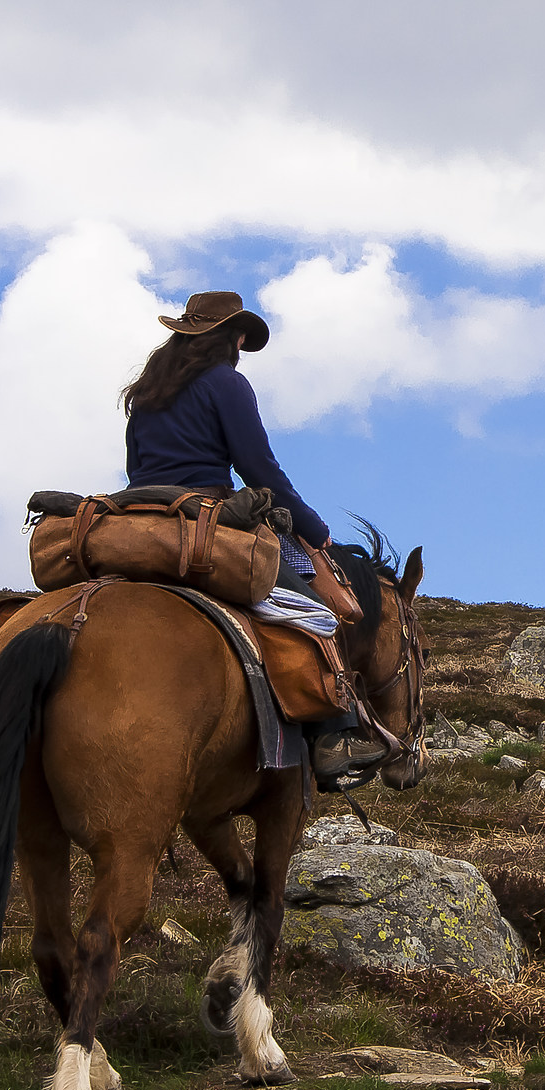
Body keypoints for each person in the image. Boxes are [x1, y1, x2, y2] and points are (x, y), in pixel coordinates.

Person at [122, 290, 376, 776]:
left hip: (140, 521)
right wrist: (312, 526)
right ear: (233, 338)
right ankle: (331, 741)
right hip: (203, 521)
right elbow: (258, 467)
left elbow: (137, 469)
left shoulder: (146, 394)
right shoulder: (227, 384)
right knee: (310, 610)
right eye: (241, 336)